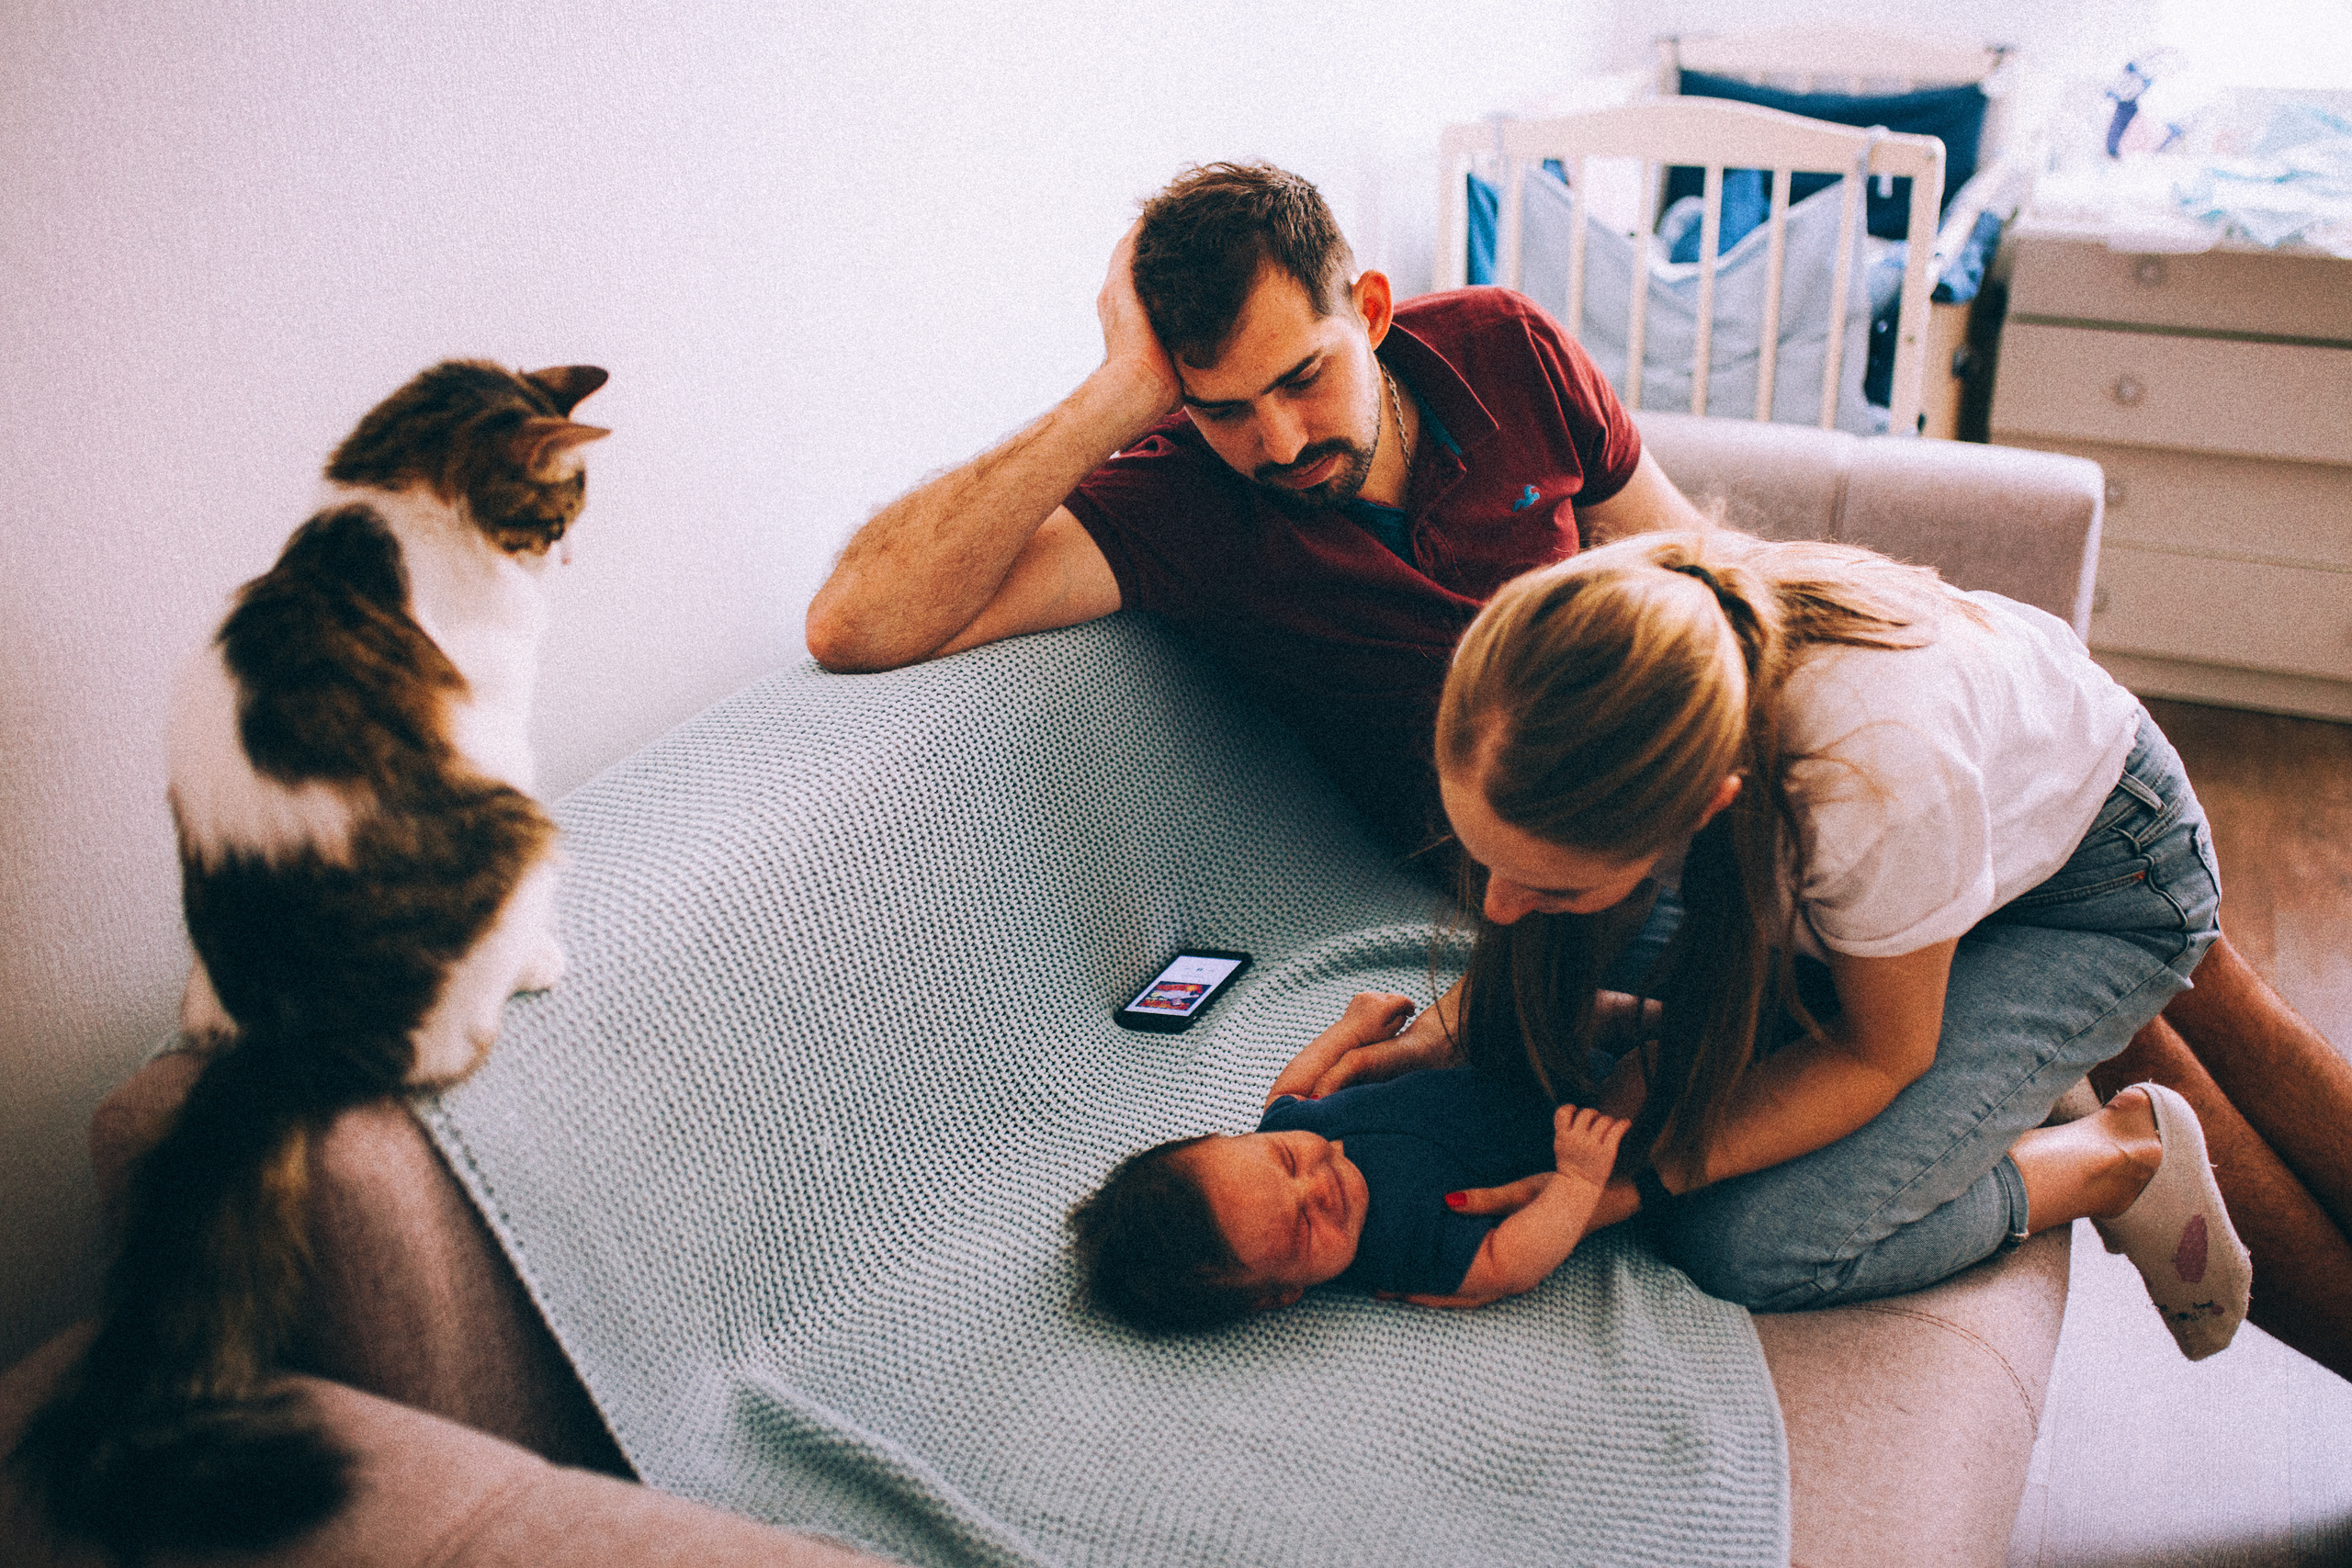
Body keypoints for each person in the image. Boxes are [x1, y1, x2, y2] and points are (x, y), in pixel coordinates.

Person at [1283, 530, 2258, 1359]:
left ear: (1703, 809)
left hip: (2089, 891)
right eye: (1483, 859)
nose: (1497, 912)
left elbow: (1881, 1053)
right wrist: (1449, 1028)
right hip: (1898, 874)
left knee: (1752, 1244)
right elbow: (1533, 925)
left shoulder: (1866, 782)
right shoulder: (1583, 641)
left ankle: (2114, 1153)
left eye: (1552, 884)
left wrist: (1627, 1189)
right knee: (1560, 1036)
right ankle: (1953, 1047)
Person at [803, 159, 1708, 862]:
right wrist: (1121, 391)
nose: (1277, 445)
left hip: (1662, 781)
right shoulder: (1181, 496)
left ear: (1372, 311)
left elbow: (1691, 566)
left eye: (1302, 377)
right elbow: (853, 625)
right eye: (1222, 406)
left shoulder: (1502, 343)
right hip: (1506, 874)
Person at [1070, 993, 1631, 1332]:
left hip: (1522, 1060)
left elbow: (1287, 1091)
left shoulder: (1286, 1128)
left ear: (1237, 1138)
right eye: (1302, 1228)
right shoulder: (1392, 1249)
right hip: (1589, 1126)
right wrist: (1578, 1180)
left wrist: (1352, 1029)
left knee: (1598, 1011)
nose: (1315, 1188)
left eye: (1288, 1161)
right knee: (1653, 1071)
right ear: (1280, 1293)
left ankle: (1640, 1016)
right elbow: (1506, 1263)